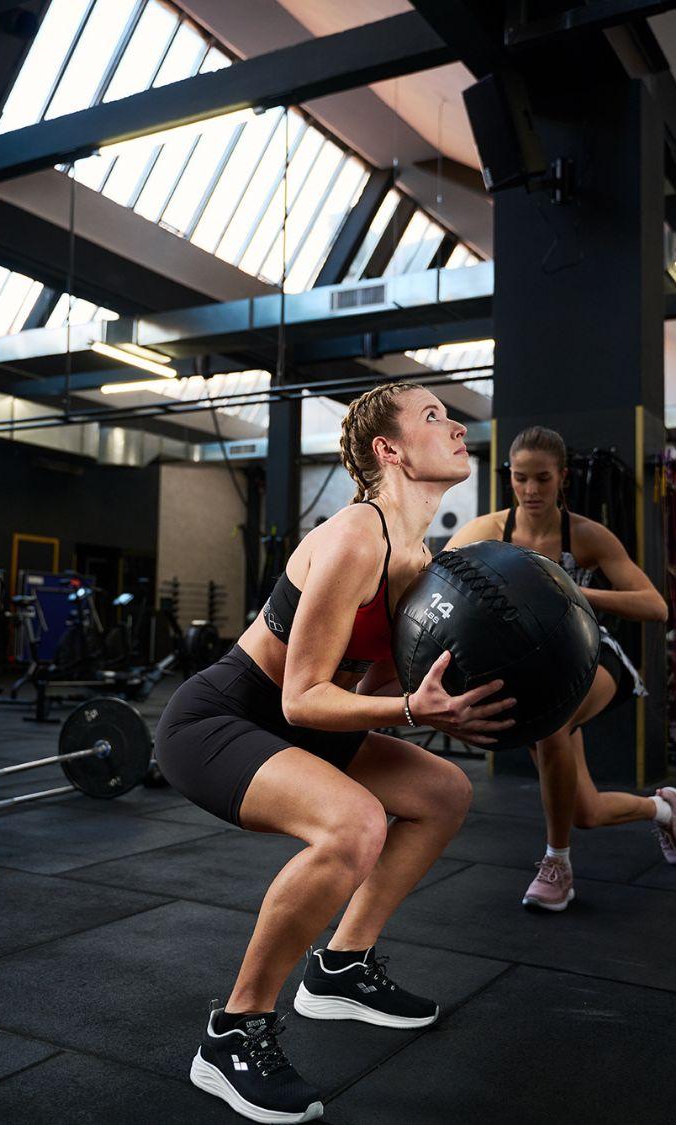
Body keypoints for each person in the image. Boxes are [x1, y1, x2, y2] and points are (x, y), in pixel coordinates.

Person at [155, 382, 515, 1124]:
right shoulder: (359, 534)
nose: (454, 425)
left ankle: (342, 963)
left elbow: (380, 679)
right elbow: (302, 695)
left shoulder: (419, 559)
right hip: (223, 718)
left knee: (443, 793)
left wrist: (449, 697)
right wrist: (415, 709)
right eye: (432, 416)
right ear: (389, 450)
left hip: (309, 726)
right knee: (354, 824)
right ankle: (233, 1031)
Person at [446, 425, 674, 912]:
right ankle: (665, 809)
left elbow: (655, 606)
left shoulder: (587, 535)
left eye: (543, 479)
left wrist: (567, 590)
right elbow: (437, 583)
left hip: (592, 655)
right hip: (527, 667)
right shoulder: (485, 532)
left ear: (562, 478)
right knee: (586, 811)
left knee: (552, 720)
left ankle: (557, 864)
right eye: (521, 479)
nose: (531, 491)